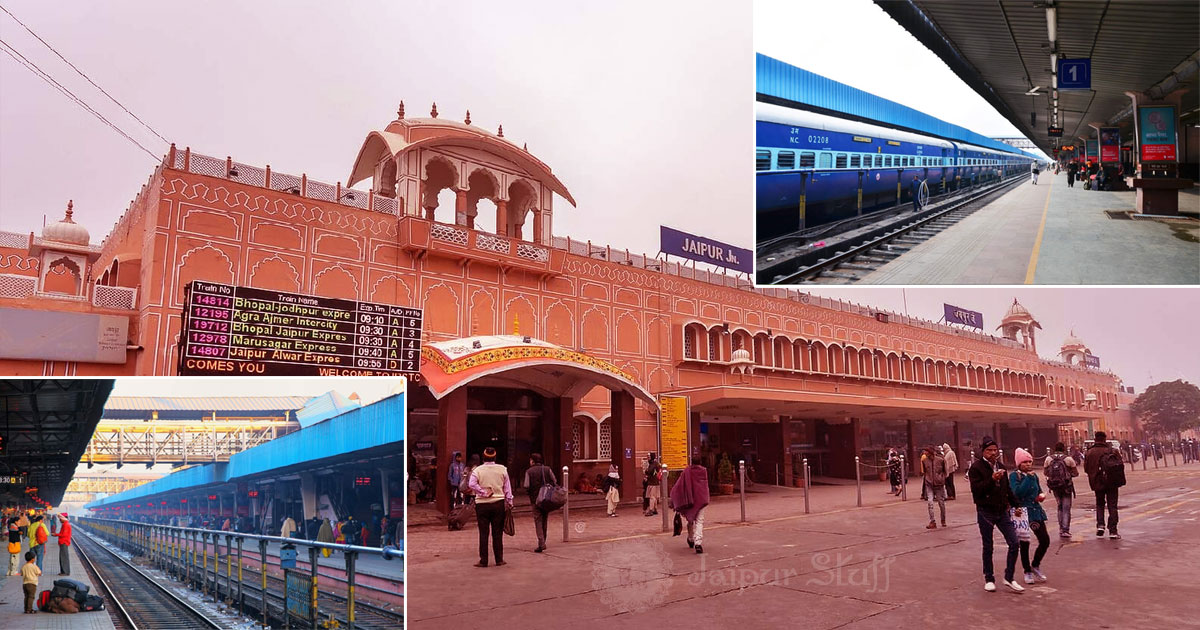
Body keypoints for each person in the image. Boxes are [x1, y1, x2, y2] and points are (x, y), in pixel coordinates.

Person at [968, 436, 1022, 593]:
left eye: (994, 450)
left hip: (1002, 510)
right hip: (986, 511)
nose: (993, 453)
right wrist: (991, 479)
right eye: (989, 450)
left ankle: (1009, 577)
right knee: (988, 546)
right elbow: (977, 490)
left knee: (1014, 542)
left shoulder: (1001, 466)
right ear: (983, 452)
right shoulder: (976, 468)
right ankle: (989, 578)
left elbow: (1008, 489)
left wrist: (1016, 505)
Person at [1009, 449, 1049, 584]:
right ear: (1019, 463)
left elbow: (1038, 490)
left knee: (1044, 540)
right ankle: (1027, 570)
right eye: (1024, 462)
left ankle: (1035, 564)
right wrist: (1027, 479)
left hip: (1036, 511)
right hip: (1022, 513)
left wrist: (1041, 496)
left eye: (1029, 461)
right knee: (1024, 543)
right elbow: (1017, 493)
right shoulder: (1015, 476)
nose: (1027, 464)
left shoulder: (1034, 476)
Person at [468, 446, 512, 567]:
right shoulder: (502, 469)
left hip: (482, 505)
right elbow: (507, 488)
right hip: (498, 503)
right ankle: (499, 559)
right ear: (495, 457)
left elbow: (471, 484)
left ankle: (483, 560)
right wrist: (509, 502)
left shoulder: (478, 470)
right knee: (497, 533)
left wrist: (482, 492)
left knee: (483, 533)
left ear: (483, 457)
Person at [1084, 431, 1123, 539]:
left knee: (1100, 504)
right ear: (1105, 439)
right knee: (1112, 506)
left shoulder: (1089, 452)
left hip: (1097, 482)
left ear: (1095, 439)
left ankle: (1100, 526)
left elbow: (1086, 469)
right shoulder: (1112, 451)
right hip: (1112, 482)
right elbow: (1120, 466)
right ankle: (1113, 531)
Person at [670, 456, 712, 554]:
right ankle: (698, 542)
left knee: (690, 520)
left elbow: (679, 485)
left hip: (690, 499)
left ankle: (690, 538)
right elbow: (704, 486)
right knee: (699, 521)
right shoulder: (704, 471)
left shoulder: (687, 471)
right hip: (701, 499)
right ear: (700, 462)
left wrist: (674, 497)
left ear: (691, 462)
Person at [1043, 442, 1079, 538]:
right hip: (1066, 487)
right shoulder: (1068, 459)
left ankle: (1061, 528)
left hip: (1055, 486)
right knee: (1066, 508)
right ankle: (1065, 529)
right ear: (1064, 449)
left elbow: (1045, 472)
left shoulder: (1048, 458)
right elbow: (1076, 473)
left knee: (1059, 506)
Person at [523, 453, 556, 553]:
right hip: (546, 499)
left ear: (532, 461)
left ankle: (541, 543)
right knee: (545, 519)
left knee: (538, 520)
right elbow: (554, 480)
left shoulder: (529, 471)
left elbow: (526, 485)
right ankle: (543, 540)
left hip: (535, 499)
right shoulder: (547, 469)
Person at [921, 446, 948, 529]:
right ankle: (932, 521)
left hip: (939, 484)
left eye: (926, 452)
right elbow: (924, 472)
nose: (925, 453)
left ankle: (943, 520)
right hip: (929, 484)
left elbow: (945, 471)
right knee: (930, 502)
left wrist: (941, 478)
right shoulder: (924, 461)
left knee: (941, 503)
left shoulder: (940, 460)